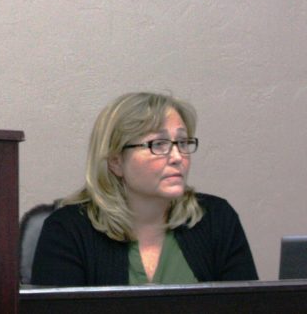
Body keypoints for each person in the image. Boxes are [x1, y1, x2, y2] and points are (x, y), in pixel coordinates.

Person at [31, 92, 258, 286]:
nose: (178, 157)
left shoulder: (216, 219)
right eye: (158, 144)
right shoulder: (68, 230)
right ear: (116, 160)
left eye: (182, 142)